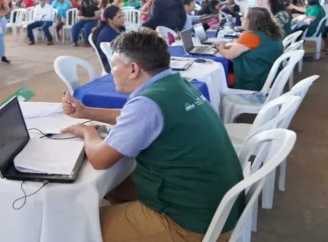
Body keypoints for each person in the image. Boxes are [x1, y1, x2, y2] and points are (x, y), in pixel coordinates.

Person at [61, 31, 244, 242]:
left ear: (133, 69)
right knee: (117, 186)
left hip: (189, 223)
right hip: (217, 207)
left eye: (114, 66)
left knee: (76, 224)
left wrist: (87, 132)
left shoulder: (147, 103)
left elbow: (100, 160)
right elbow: (136, 118)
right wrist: (86, 112)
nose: (112, 73)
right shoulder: (176, 84)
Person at [215, 7, 284, 91]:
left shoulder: (251, 36)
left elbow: (229, 55)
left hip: (256, 79)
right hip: (269, 74)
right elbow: (254, 47)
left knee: (219, 72)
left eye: (243, 17)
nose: (241, 19)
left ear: (251, 21)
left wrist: (221, 48)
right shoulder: (272, 33)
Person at [91, 5, 125, 73]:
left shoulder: (119, 28)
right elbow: (117, 53)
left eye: (123, 16)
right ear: (110, 20)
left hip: (120, 58)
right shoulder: (106, 34)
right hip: (111, 64)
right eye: (119, 17)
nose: (123, 18)